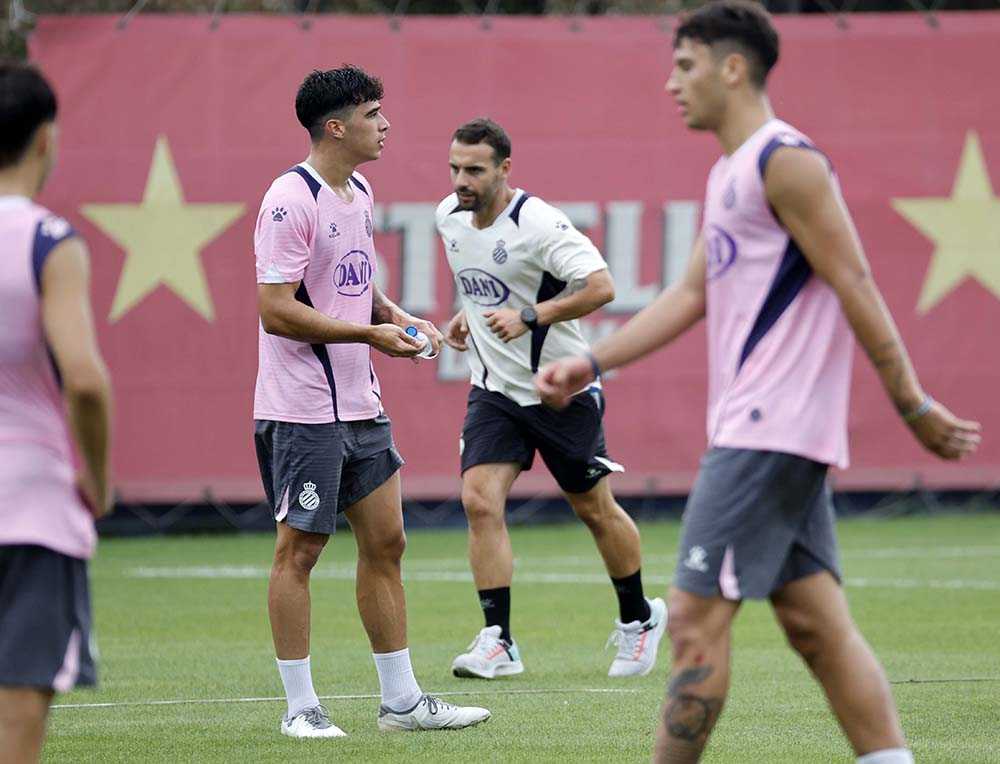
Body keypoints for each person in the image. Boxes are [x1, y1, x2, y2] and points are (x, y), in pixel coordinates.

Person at [534, 3, 981, 762]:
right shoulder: (729, 173)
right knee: (815, 627)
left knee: (692, 621)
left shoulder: (786, 161)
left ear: (733, 68)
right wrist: (592, 361)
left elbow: (856, 282)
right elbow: (690, 295)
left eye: (686, 66)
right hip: (773, 433)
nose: (671, 83)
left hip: (768, 430)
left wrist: (912, 404)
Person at [253, 66, 490, 738]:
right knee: (299, 552)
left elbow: (351, 283)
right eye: (372, 114)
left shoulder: (357, 190)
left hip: (361, 405)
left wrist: (394, 315)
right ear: (336, 127)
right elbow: (275, 310)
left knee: (388, 542)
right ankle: (301, 709)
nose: (385, 125)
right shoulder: (288, 200)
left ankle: (402, 703)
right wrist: (368, 334)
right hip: (303, 409)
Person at [436, 118, 667, 681]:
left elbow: (601, 286)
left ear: (504, 169)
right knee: (479, 501)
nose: (461, 180)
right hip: (494, 391)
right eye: (455, 168)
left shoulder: (539, 223)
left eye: (474, 170)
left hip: (560, 389)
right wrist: (468, 315)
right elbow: (487, 282)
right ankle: (499, 640)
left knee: (593, 509)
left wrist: (531, 315)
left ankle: (639, 619)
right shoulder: (449, 217)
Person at [0, 61, 114, 763]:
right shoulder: (48, 240)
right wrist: (97, 479)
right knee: (17, 717)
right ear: (46, 137)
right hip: (28, 506)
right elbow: (86, 382)